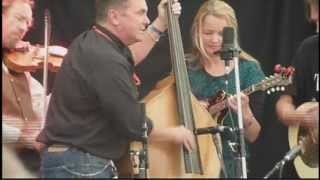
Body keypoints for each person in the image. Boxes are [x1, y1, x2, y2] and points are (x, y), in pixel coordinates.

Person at [37, 0, 196, 178]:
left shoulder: (94, 44)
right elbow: (133, 123)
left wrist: (160, 23)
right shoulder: (105, 57)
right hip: (81, 165)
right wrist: (173, 133)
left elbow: (128, 58)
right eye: (140, 13)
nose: (146, 20)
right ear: (114, 16)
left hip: (72, 162)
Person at [186, 0, 265, 178]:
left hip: (233, 165)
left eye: (222, 34)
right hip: (193, 162)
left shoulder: (248, 70)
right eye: (208, 33)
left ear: (232, 34)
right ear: (196, 31)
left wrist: (246, 114)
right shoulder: (186, 69)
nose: (215, 40)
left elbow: (253, 136)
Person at [2, 0, 47, 177]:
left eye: (28, 23)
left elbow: (40, 103)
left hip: (30, 165)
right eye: (19, 19)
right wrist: (21, 136)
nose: (24, 28)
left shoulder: (19, 64)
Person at [275, 0, 318, 178]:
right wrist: (299, 116)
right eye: (313, 10)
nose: (314, 16)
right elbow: (284, 101)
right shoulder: (308, 49)